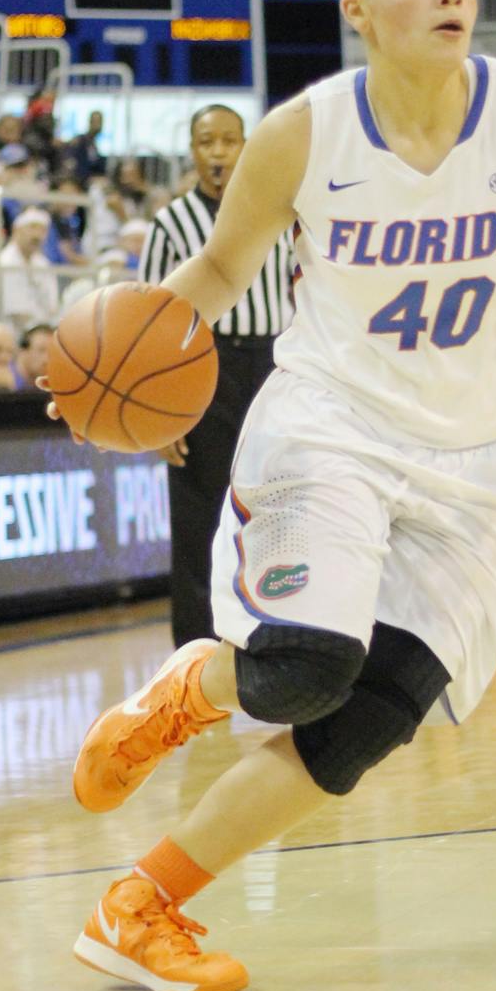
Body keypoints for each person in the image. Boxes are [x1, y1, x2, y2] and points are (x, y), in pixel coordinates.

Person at [61, 0, 496, 991]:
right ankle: (197, 688)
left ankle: (133, 909)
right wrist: (114, 361)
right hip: (332, 426)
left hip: (480, 465)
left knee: (356, 731)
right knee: (309, 667)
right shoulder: (303, 132)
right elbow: (218, 274)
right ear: (359, 10)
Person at [138, 104, 294, 647]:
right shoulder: (170, 223)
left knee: (278, 513)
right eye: (208, 141)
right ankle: (194, 656)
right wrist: (159, 412)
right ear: (193, 149)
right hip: (198, 368)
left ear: (246, 145)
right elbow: (147, 319)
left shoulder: (279, 212)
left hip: (273, 367)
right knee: (199, 519)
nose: (220, 152)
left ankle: (276, 645)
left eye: (230, 140)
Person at [0, 207, 60, 334]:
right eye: (32, 227)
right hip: (13, 335)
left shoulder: (43, 264)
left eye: (42, 230)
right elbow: (18, 313)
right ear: (17, 230)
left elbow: (53, 307)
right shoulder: (5, 262)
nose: (37, 235)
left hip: (43, 334)